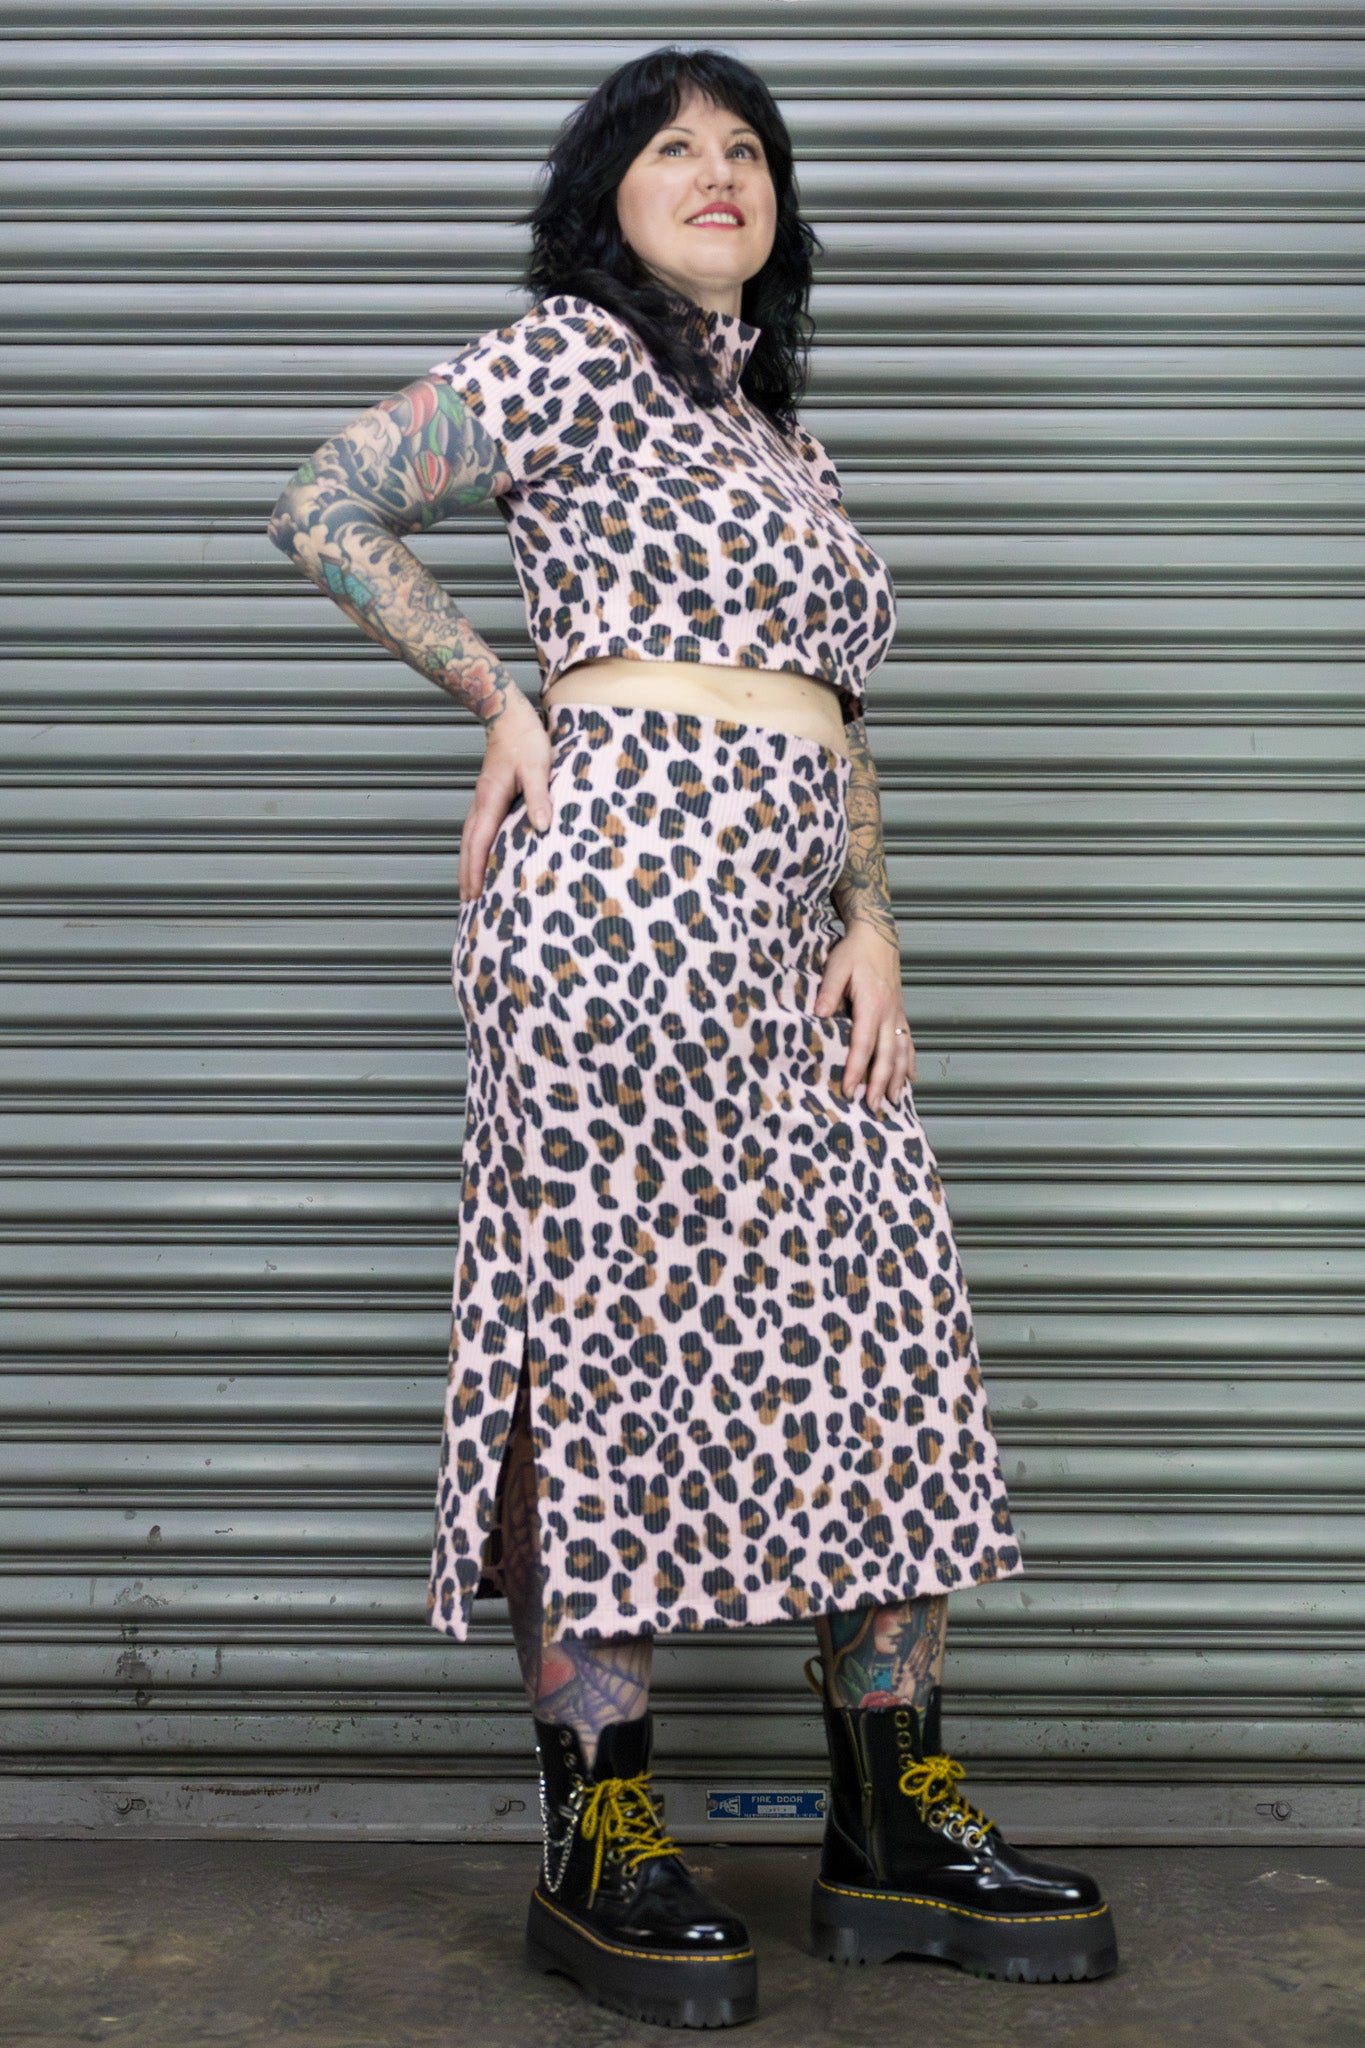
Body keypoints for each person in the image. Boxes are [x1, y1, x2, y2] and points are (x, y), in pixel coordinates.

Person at [267, 43, 1118, 2029]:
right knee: (607, 1339)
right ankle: (600, 1833)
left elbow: (831, 715)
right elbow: (326, 500)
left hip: (794, 938)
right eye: (671, 146)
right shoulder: (573, 358)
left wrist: (872, 921)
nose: (717, 169)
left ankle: (890, 1821)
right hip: (612, 912)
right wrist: (498, 697)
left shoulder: (783, 441)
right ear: (608, 198)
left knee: (875, 1333)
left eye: (746, 147)